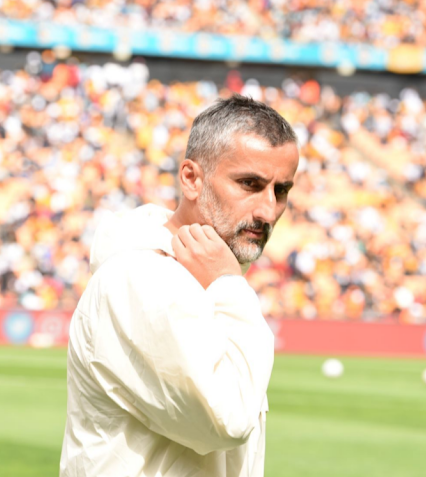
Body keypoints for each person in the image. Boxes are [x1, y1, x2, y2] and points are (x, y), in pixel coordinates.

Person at [60, 94, 300, 477]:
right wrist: (229, 285)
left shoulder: (187, 276)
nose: (267, 210)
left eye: (281, 191)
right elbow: (228, 418)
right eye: (249, 184)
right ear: (191, 178)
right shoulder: (141, 279)